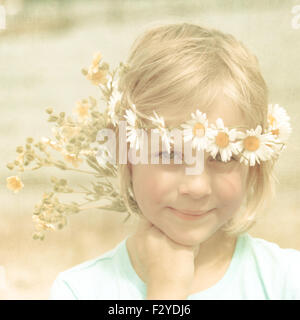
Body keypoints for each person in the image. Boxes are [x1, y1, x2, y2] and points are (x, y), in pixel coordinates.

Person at [50, 22, 300, 300]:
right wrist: (166, 291)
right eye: (169, 154)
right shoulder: (77, 291)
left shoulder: (287, 281)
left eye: (221, 155)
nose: (197, 187)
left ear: (253, 164)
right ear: (127, 154)